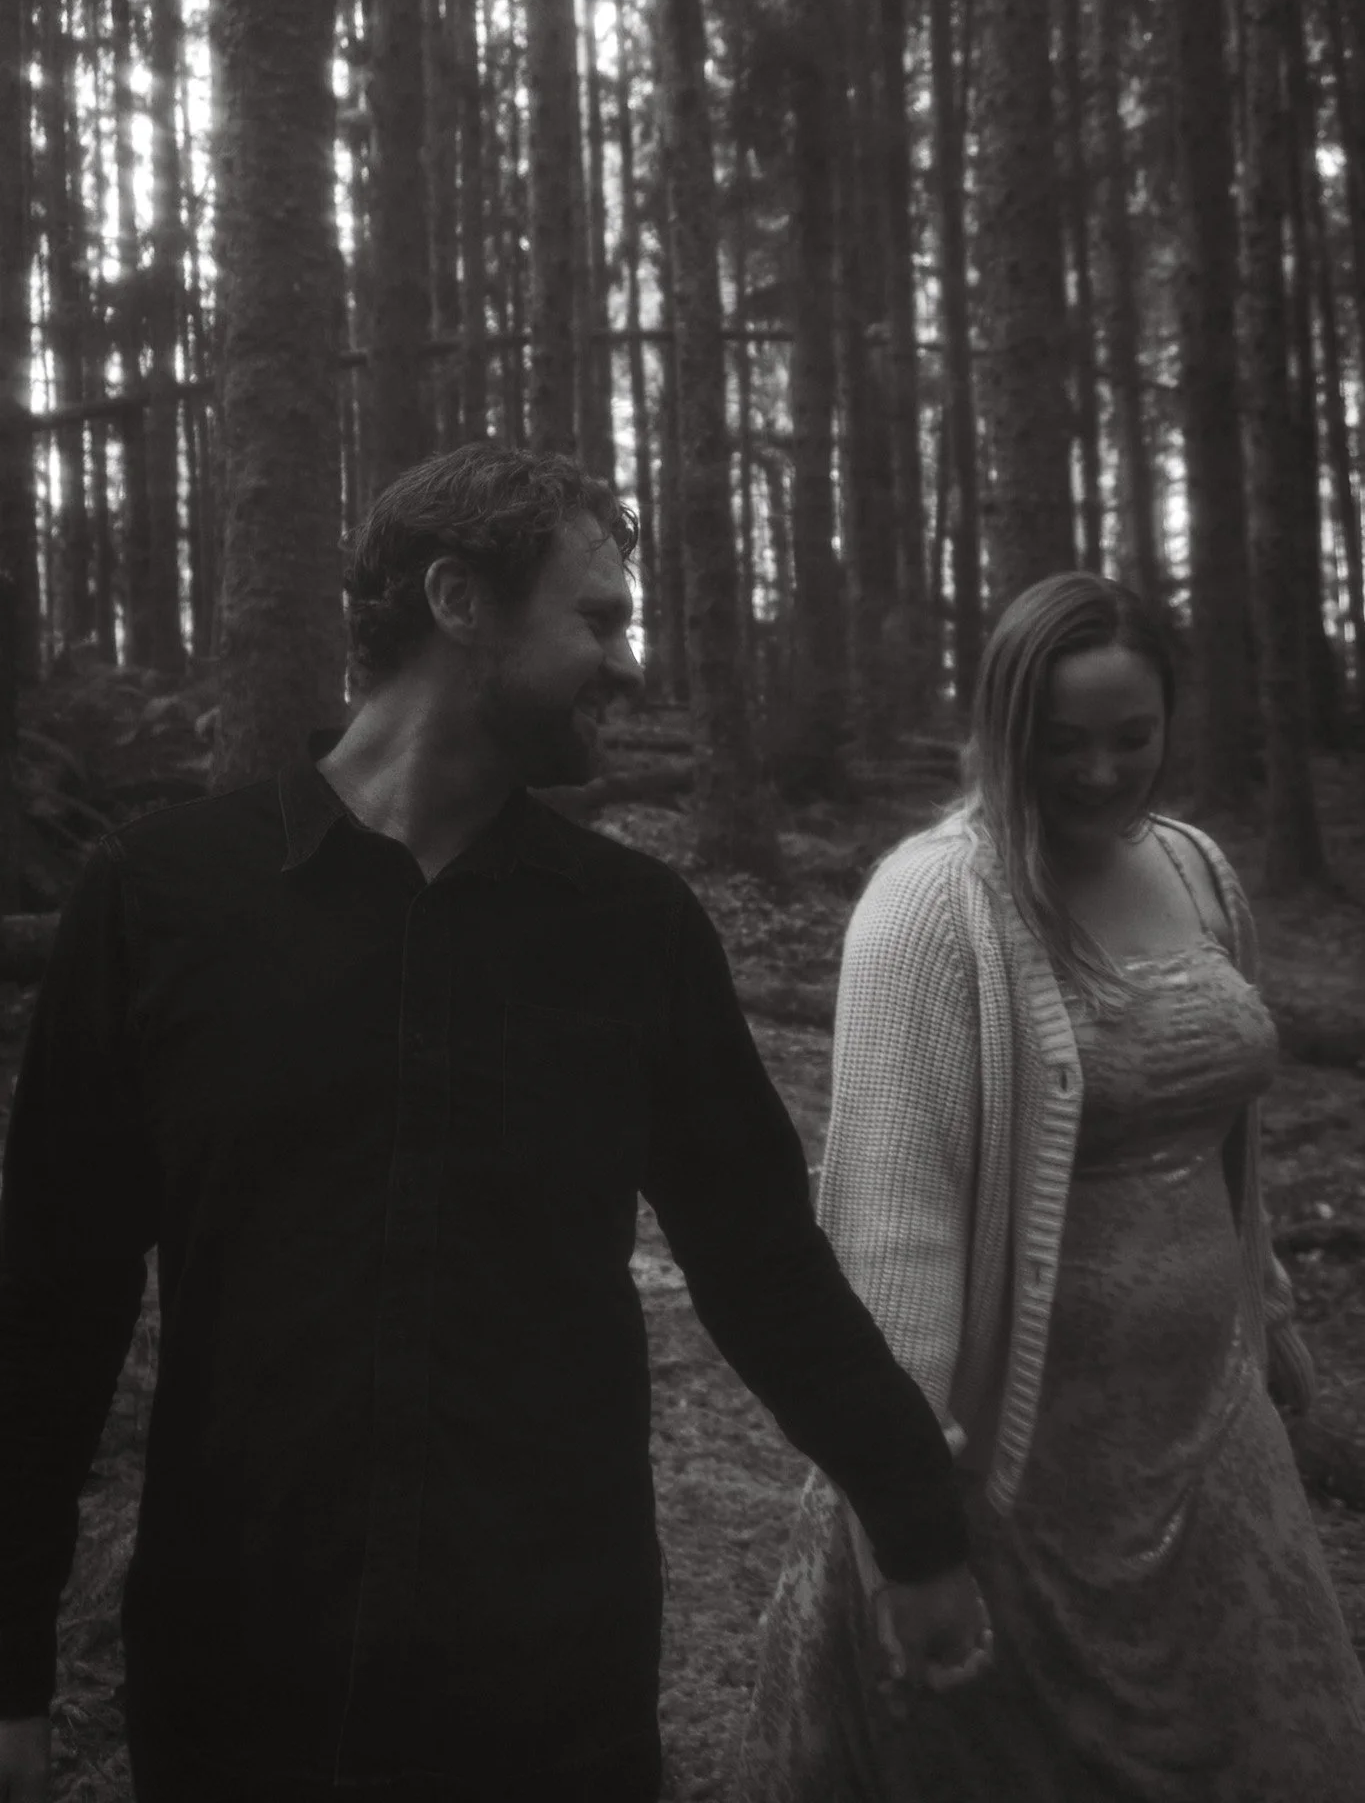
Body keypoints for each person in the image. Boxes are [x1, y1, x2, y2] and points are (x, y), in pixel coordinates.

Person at [0, 445, 989, 1803]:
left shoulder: (633, 933)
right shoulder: (162, 902)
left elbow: (762, 1263)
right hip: (241, 1664)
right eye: (599, 619)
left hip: (544, 1679)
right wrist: (12, 1665)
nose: (630, 665)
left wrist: (914, 1518)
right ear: (459, 600)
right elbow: (52, 1305)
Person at [736, 570, 1365, 1801]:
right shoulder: (931, 904)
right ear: (1002, 725)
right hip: (1016, 1468)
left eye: (1132, 737)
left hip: (1205, 1430)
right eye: (1061, 742)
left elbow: (1228, 1137)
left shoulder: (1194, 867)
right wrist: (901, 1512)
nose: (1099, 771)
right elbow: (893, 1223)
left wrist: (1271, 1305)